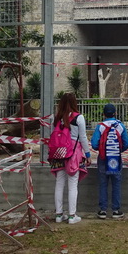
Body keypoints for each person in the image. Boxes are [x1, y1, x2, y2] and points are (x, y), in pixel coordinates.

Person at [50, 92, 90, 224]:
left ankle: (58, 214)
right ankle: (72, 216)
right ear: (74, 103)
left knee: (59, 183)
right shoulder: (78, 118)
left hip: (58, 152)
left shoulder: (57, 118)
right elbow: (83, 137)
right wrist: (88, 154)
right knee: (73, 184)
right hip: (72, 152)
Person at [91, 103, 128, 219]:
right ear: (115, 113)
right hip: (116, 158)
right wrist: (118, 150)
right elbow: (126, 143)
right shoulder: (120, 126)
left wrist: (103, 149)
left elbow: (94, 144)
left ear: (103, 114)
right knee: (116, 183)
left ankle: (103, 210)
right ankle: (116, 210)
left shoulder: (100, 126)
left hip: (103, 158)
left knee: (103, 183)